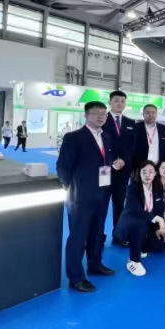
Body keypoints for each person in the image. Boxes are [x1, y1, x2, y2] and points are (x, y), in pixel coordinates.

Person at [57, 101, 125, 292]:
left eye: (104, 113)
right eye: (96, 113)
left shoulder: (106, 136)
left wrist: (115, 163)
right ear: (86, 115)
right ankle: (76, 277)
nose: (101, 117)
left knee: (97, 232)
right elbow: (63, 166)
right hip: (80, 196)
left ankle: (95, 265)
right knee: (78, 236)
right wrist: (71, 188)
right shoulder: (74, 137)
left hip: (102, 193)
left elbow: (105, 160)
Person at [115, 161, 165, 277]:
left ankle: (142, 245)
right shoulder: (132, 188)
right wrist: (159, 220)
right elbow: (135, 210)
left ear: (155, 173)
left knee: (160, 245)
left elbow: (159, 209)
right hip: (131, 222)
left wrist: (158, 228)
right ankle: (133, 260)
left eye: (150, 172)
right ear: (139, 174)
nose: (147, 175)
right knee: (140, 224)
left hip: (148, 221)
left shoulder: (158, 187)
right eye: (144, 172)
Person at [102, 90, 136, 245]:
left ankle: (118, 236)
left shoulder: (130, 122)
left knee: (119, 204)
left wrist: (124, 160)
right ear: (110, 102)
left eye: (122, 101)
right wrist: (111, 161)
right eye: (116, 100)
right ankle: (98, 237)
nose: (119, 103)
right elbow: (98, 143)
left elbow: (133, 145)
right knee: (101, 204)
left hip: (123, 170)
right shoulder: (102, 120)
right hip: (104, 169)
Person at [132, 104, 165, 169]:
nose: (151, 115)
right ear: (143, 114)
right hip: (140, 165)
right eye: (147, 112)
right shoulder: (135, 127)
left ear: (156, 114)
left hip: (159, 166)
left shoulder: (163, 128)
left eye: (153, 112)